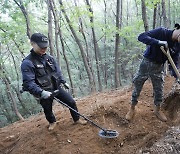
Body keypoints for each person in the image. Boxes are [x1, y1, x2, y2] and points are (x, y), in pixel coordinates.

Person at [21, 33, 87, 130]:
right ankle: (52, 122)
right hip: (43, 91)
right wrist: (41, 92)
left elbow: (57, 71)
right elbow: (29, 83)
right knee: (47, 109)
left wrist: (63, 81)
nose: (44, 49)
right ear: (32, 44)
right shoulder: (27, 63)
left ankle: (77, 119)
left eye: (45, 47)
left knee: (71, 102)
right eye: (41, 47)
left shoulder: (49, 58)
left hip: (56, 87)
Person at [125, 23, 180, 122]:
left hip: (159, 67)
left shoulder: (177, 45)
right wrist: (158, 42)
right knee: (138, 85)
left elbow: (173, 62)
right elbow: (141, 37)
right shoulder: (161, 32)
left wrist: (177, 76)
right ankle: (132, 108)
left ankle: (157, 110)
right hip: (146, 63)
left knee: (159, 89)